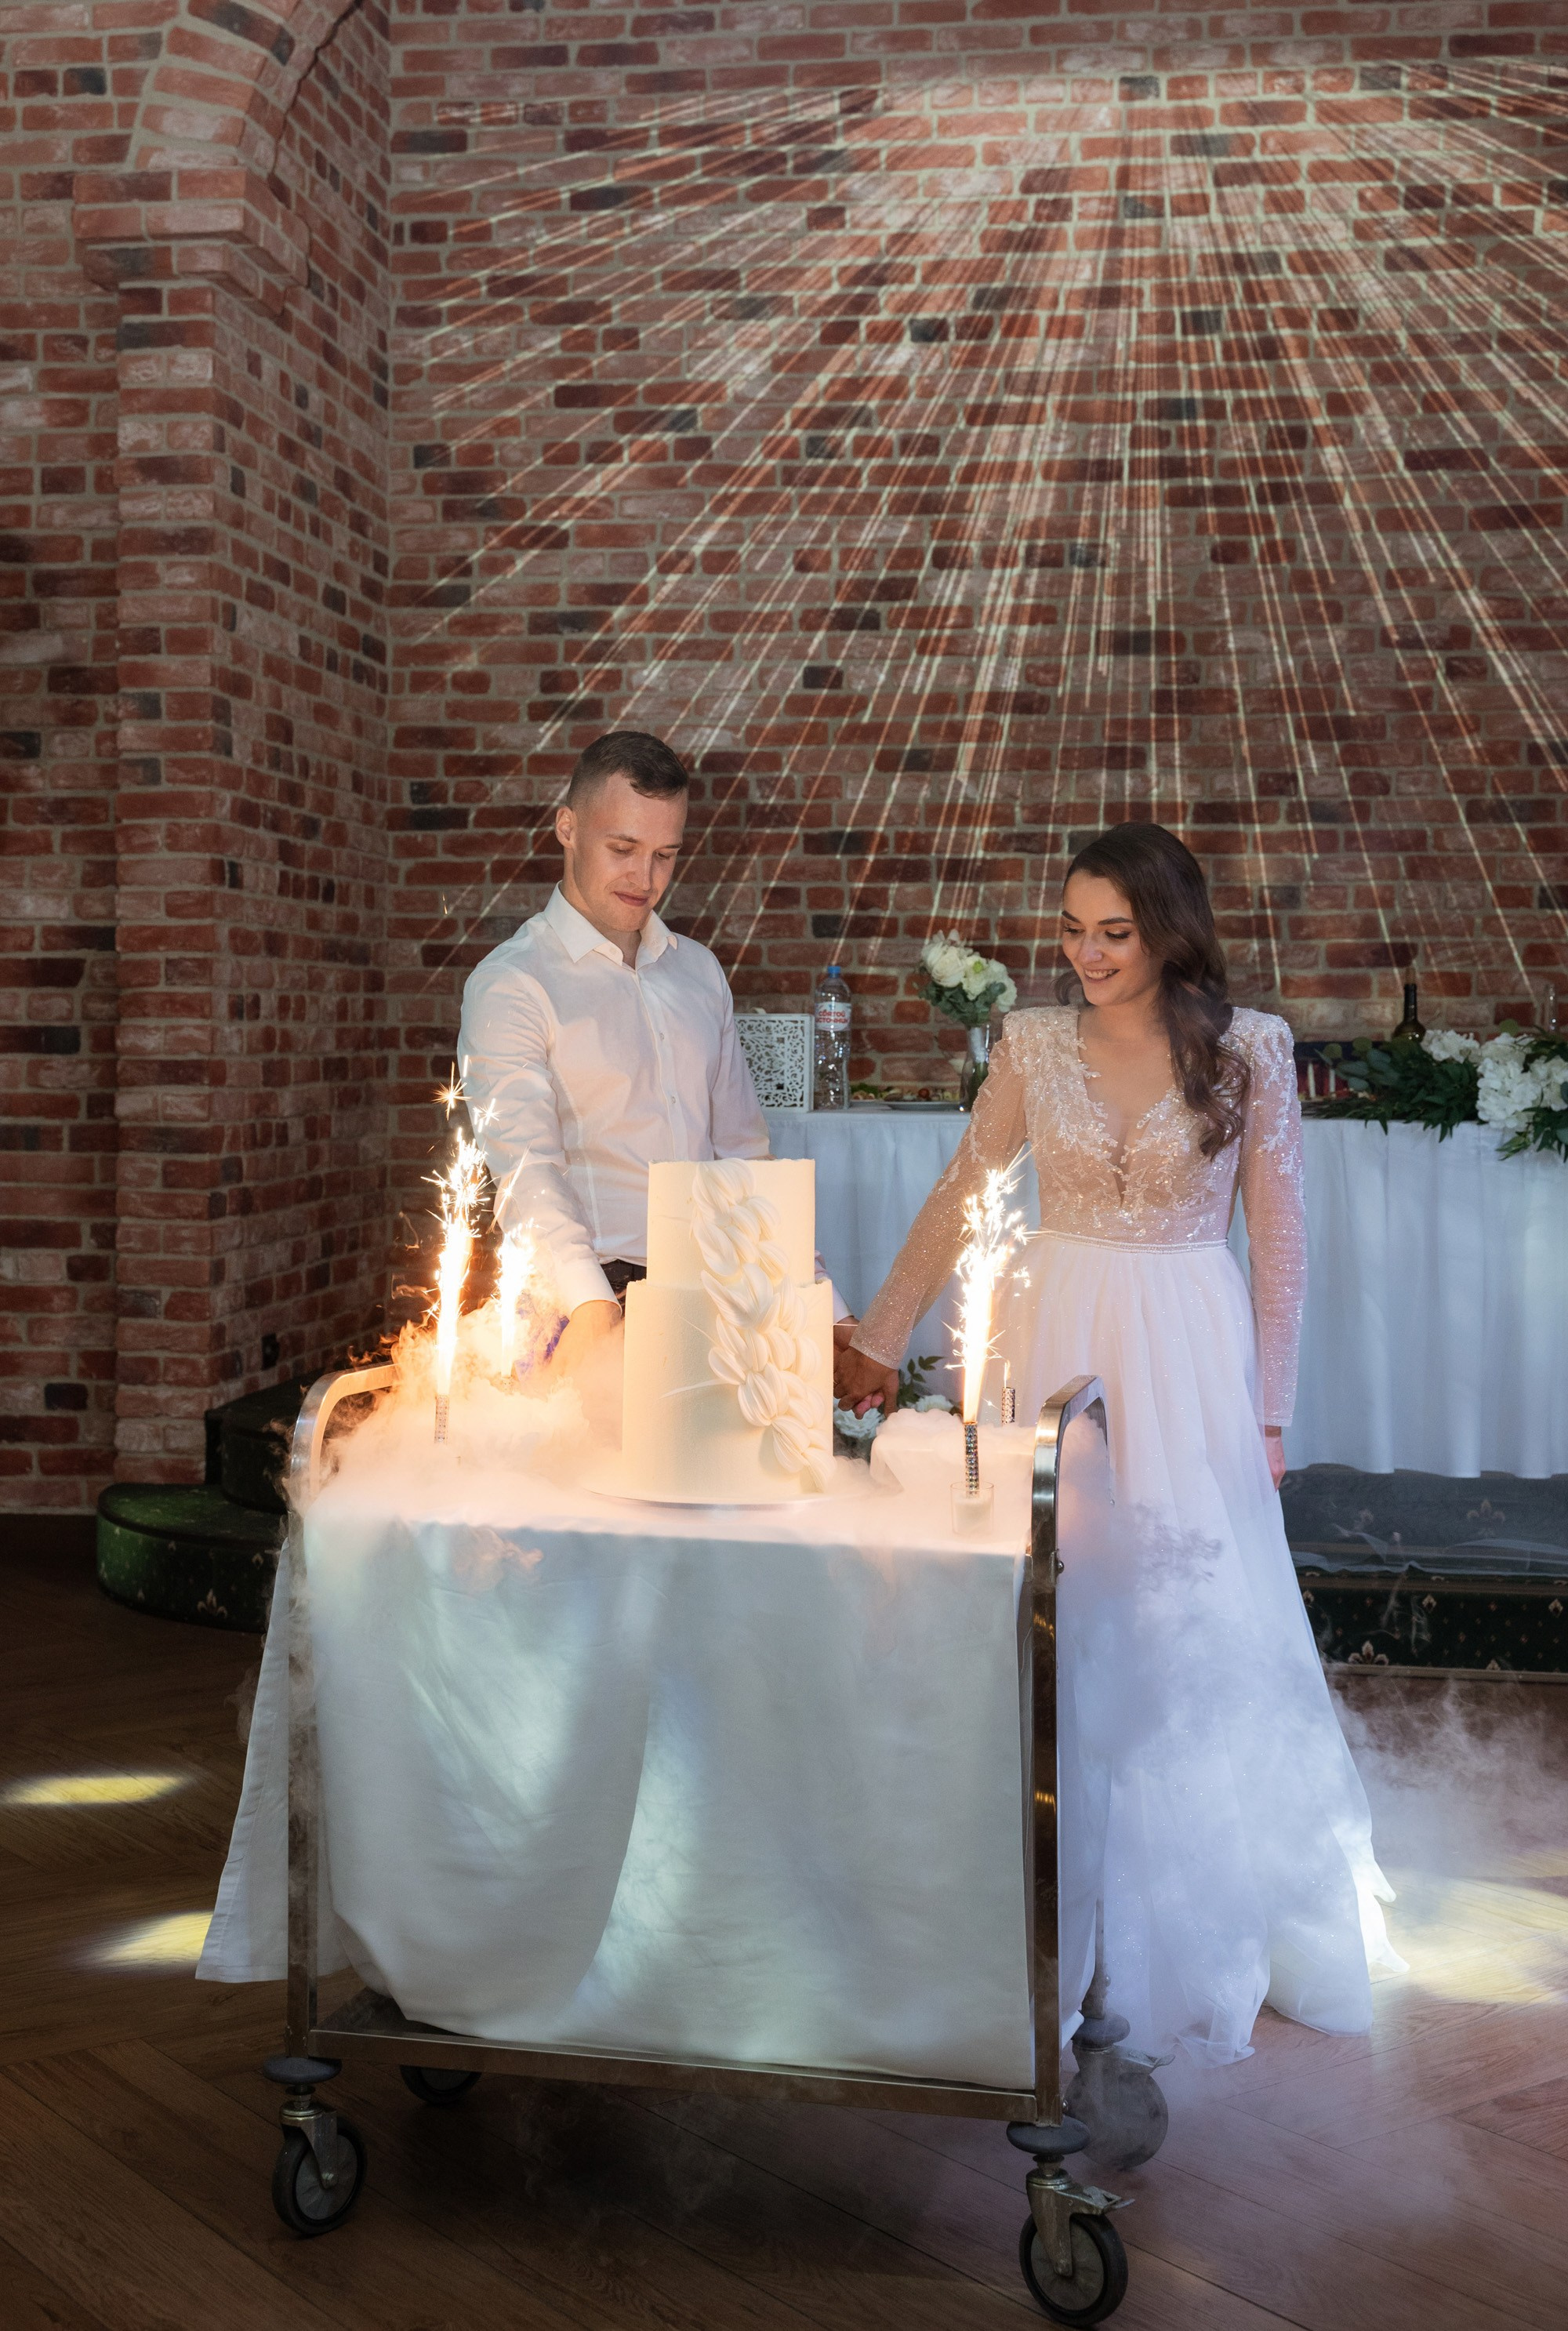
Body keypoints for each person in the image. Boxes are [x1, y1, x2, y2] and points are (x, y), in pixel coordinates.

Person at [835, 822, 1400, 2066]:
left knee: (1190, 1609)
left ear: (1167, 930)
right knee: (1062, 1600)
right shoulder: (1034, 1044)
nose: (1086, 954)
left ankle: (1191, 1911)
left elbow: (1284, 1245)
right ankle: (1048, 1898)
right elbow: (959, 1194)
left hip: (1191, 1346)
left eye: (1115, 932)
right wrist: (880, 1334)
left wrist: (1268, 1417)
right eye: (1074, 928)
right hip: (1058, 1333)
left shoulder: (1248, 1049)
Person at [459, 728, 845, 1373]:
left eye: (666, 854)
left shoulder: (699, 973)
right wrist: (591, 1307)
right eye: (623, 848)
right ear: (567, 828)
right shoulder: (513, 983)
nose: (646, 878)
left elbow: (746, 1161)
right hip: (580, 1307)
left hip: (709, 1301)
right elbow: (527, 1171)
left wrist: (824, 1308)